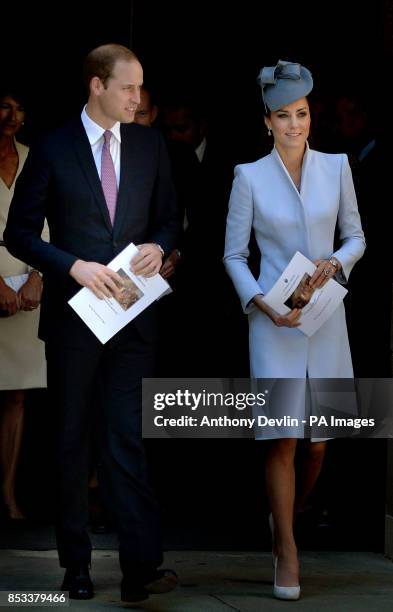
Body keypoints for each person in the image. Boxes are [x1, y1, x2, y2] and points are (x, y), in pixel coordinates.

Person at [5, 44, 180, 604]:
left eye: (140, 88)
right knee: (72, 441)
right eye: (128, 88)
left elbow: (170, 220)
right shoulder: (54, 148)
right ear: (97, 86)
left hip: (133, 318)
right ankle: (74, 567)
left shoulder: (153, 144)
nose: (138, 98)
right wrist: (71, 266)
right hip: (74, 321)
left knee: (128, 439)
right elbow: (18, 233)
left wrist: (158, 245)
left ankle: (138, 568)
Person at [224, 59, 365, 600]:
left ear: (311, 116)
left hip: (327, 317)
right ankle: (286, 547)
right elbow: (234, 255)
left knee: (318, 445)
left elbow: (357, 236)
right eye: (283, 116)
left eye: (302, 114)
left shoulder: (337, 166)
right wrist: (260, 302)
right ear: (266, 121)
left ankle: (291, 512)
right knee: (281, 437)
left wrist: (337, 262)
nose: (294, 125)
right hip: (273, 321)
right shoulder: (248, 175)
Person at [0, 87, 48, 520]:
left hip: (27, 281)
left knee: (17, 397)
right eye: (4, 105)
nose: (12, 115)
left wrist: (39, 275)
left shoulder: (35, 156)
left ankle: (7, 494)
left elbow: (52, 217)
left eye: (19, 107)